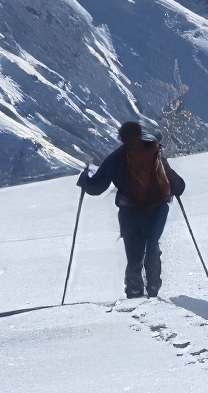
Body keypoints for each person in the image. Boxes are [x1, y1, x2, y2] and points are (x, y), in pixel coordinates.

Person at [78, 120, 186, 299]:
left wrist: (84, 179)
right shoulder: (154, 151)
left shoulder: (117, 158)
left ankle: (135, 293)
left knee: (134, 253)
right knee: (152, 246)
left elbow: (96, 188)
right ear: (141, 134)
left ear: (121, 138)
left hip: (130, 211)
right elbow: (179, 186)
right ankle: (153, 288)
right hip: (158, 209)